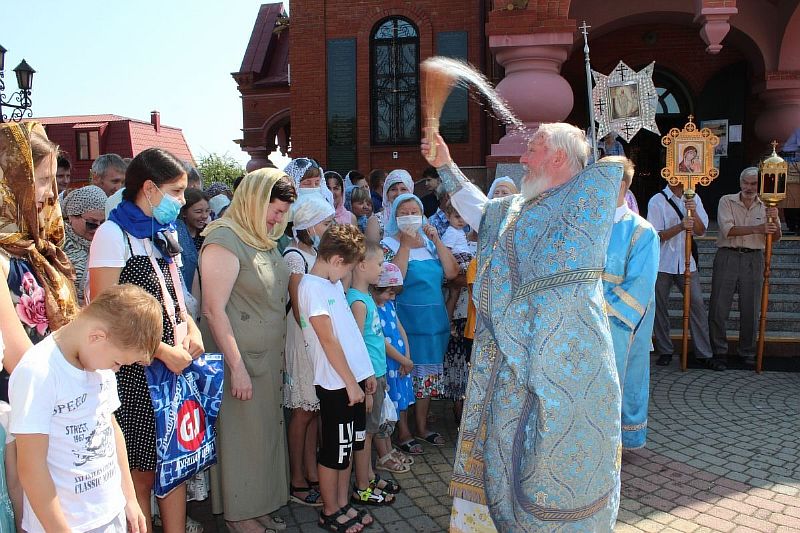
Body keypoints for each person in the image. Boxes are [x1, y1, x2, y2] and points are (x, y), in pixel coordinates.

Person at [425, 123, 623, 531]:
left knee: (556, 458)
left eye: (532, 149)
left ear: (559, 158)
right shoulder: (518, 208)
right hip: (513, 366)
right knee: (508, 455)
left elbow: (610, 174)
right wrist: (445, 164)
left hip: (569, 367)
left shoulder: (582, 207)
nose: (521, 159)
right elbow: (482, 209)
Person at [88, 147, 205, 533]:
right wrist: (158, 350)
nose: (182, 201)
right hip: (135, 374)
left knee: (175, 466)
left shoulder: (162, 232)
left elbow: (176, 298)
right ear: (150, 188)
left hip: (173, 367)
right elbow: (105, 310)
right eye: (175, 192)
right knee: (140, 471)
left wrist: (192, 328)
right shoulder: (112, 234)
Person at [10, 284, 164, 533]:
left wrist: (130, 498)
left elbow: (111, 427)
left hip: (110, 513)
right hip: (64, 524)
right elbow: (31, 467)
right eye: (117, 362)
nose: (116, 370)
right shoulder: (38, 372)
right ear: (97, 336)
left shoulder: (100, 365)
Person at [198, 169, 296, 532]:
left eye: (284, 212)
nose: (278, 218)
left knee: (265, 435)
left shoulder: (262, 238)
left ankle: (258, 505)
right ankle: (239, 515)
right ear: (255, 200)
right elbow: (212, 309)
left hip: (267, 359)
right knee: (243, 440)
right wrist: (235, 367)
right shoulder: (224, 239)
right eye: (276, 209)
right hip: (240, 361)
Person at [297, 224, 375, 533]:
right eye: (347, 270)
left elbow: (350, 334)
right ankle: (330, 510)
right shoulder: (311, 286)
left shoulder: (332, 285)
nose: (346, 276)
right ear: (337, 261)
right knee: (334, 451)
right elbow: (328, 341)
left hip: (351, 382)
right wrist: (350, 382)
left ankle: (343, 503)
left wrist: (364, 371)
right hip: (336, 385)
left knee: (347, 448)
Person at [0, 121, 78, 376]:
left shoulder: (34, 246)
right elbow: (18, 356)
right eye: (44, 180)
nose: (52, 193)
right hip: (24, 398)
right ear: (10, 185)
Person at [380, 194, 458, 448]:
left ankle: (422, 427)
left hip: (434, 323)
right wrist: (404, 243)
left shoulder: (431, 243)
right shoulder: (388, 245)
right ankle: (403, 431)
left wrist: (436, 239)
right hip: (405, 323)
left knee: (427, 377)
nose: (410, 216)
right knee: (403, 376)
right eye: (404, 212)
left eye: (415, 211)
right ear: (394, 216)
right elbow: (395, 280)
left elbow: (452, 272)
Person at [600, 156, 659, 450]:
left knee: (626, 377)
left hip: (621, 322)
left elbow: (641, 284)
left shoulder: (642, 231)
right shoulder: (589, 226)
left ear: (621, 185)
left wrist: (601, 311)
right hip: (586, 320)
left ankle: (625, 438)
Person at [282, 195, 335, 508]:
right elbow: (299, 306)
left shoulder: (313, 251)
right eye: (326, 222)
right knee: (302, 412)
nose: (329, 228)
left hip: (315, 336)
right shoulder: (294, 256)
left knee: (314, 410)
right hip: (304, 337)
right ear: (309, 224)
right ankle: (297, 479)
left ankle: (312, 470)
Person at [646, 180, 724, 370]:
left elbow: (701, 230)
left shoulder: (694, 197)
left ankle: (703, 353)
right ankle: (665, 350)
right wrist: (681, 226)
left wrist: (693, 211)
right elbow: (655, 236)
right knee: (659, 307)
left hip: (687, 261)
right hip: (662, 263)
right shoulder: (657, 200)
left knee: (696, 305)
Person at [709, 167, 782, 366]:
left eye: (753, 184)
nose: (749, 188)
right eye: (746, 183)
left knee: (751, 308)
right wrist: (758, 228)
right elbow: (728, 230)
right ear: (740, 183)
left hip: (754, 258)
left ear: (759, 185)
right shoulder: (726, 200)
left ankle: (747, 352)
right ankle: (719, 352)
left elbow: (775, 238)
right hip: (728, 256)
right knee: (718, 308)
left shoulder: (767, 205)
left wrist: (773, 218)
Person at [348, 243, 400, 508]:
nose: (382, 268)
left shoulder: (366, 296)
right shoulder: (357, 301)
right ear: (362, 265)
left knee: (370, 430)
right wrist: (366, 386)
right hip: (367, 379)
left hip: (376, 376)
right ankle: (362, 486)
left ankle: (368, 475)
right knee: (365, 434)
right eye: (379, 263)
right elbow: (356, 345)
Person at [372, 262, 418, 459]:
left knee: (393, 410)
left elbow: (401, 330)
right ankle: (385, 452)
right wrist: (402, 360)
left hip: (399, 364)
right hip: (388, 364)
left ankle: (389, 449)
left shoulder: (389, 305)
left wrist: (406, 357)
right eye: (389, 293)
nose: (392, 297)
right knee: (385, 410)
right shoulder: (372, 308)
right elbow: (381, 342)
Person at [62, 185, 108, 304]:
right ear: (72, 216)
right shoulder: (57, 244)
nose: (97, 228)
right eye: (91, 223)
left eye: (102, 223)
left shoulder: (108, 243)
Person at [175, 188, 210, 290]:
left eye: (207, 211)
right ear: (184, 213)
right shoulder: (175, 236)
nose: (204, 216)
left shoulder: (209, 234)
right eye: (198, 211)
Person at [365, 169, 413, 242]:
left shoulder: (419, 218)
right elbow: (372, 251)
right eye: (393, 189)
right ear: (386, 193)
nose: (398, 194)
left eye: (403, 189)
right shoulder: (375, 221)